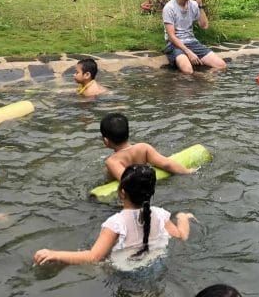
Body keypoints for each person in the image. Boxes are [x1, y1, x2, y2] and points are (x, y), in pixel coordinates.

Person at [33, 165, 193, 265]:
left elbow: (93, 257)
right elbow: (181, 236)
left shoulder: (115, 223)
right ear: (151, 193)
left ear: (122, 193)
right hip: (156, 265)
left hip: (125, 273)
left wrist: (55, 254)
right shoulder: (161, 214)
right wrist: (183, 218)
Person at [100, 113, 195, 181]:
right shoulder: (143, 147)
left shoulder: (112, 161)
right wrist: (187, 171)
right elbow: (167, 164)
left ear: (106, 141)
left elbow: (127, 182)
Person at [163, 0, 227, 74]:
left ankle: (202, 83)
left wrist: (200, 5)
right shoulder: (169, 8)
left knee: (221, 66)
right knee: (188, 71)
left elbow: (204, 26)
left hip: (192, 42)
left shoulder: (193, 5)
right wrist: (188, 52)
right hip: (175, 45)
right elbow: (171, 36)